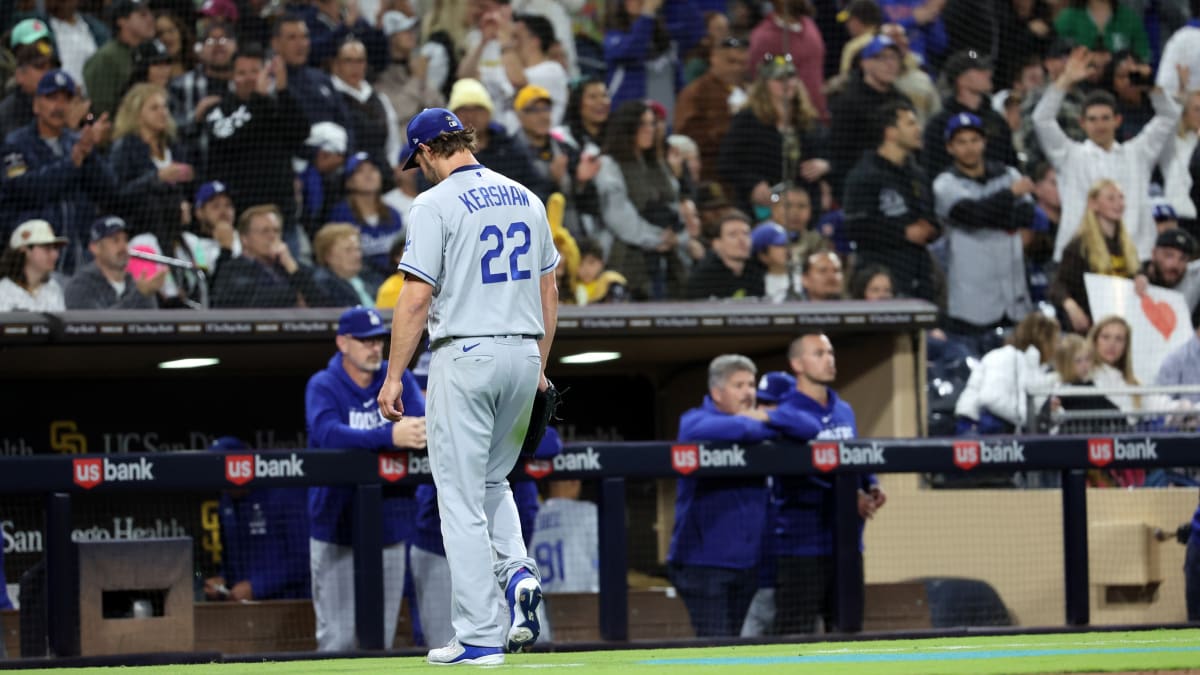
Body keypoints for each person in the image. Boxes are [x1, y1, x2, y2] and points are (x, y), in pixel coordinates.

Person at [377, 107, 559, 665]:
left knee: (456, 499)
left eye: (418, 160)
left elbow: (414, 296)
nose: (419, 171)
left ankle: (480, 635)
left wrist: (392, 375)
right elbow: (549, 291)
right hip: (524, 353)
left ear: (429, 150)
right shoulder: (527, 196)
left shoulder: (433, 203)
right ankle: (519, 571)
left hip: (467, 352)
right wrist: (539, 368)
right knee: (491, 480)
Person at [306, 306, 427, 650]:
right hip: (335, 525)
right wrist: (388, 439)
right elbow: (329, 435)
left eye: (378, 340)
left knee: (380, 639)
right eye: (364, 341)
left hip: (389, 526)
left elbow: (418, 428)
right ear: (343, 342)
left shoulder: (395, 379)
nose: (375, 348)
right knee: (338, 641)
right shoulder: (324, 384)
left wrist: (389, 438)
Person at [668, 354, 795, 637]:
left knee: (732, 645)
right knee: (716, 648)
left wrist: (764, 417)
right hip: (702, 564)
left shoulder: (759, 419)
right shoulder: (695, 421)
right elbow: (738, 428)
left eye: (751, 384)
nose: (749, 392)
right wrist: (764, 423)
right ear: (717, 392)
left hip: (747, 565)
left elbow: (808, 426)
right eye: (739, 385)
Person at [773, 333, 885, 634]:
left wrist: (871, 485)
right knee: (793, 637)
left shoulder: (843, 409)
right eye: (819, 353)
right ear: (797, 363)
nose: (829, 359)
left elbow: (853, 457)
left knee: (848, 632)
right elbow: (797, 474)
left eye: (831, 352)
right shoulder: (786, 412)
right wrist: (849, 497)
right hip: (801, 546)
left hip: (847, 543)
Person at [1034, 46, 1182, 262]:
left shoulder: (1138, 153)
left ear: (1117, 120)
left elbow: (1170, 116)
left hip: (1133, 259)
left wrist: (1150, 87)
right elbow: (1041, 120)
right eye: (1093, 119)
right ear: (1082, 123)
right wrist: (1065, 80)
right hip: (1081, 260)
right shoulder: (1069, 156)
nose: (1100, 125)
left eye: (1105, 118)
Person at [932, 112, 1037, 353]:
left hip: (1013, 297)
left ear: (984, 142)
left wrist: (987, 214)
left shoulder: (1008, 174)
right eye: (961, 142)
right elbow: (971, 215)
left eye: (974, 140)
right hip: (970, 301)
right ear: (950, 147)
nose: (969, 148)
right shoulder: (946, 183)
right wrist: (1009, 196)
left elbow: (1027, 216)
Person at [0, 69, 116, 274]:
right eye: (52, 98)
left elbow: (108, 191)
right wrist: (72, 161)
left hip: (79, 253)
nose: (59, 107)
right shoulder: (16, 144)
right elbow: (24, 190)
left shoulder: (76, 142)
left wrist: (89, 153)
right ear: (36, 105)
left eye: (66, 100)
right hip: (33, 258)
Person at [205, 46, 310, 235]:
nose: (249, 78)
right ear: (231, 76)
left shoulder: (277, 106)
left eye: (255, 71)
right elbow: (230, 139)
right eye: (242, 73)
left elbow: (301, 132)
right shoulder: (219, 111)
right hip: (243, 218)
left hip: (282, 216)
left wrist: (283, 91)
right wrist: (258, 99)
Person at [843, 99, 939, 302]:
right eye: (911, 123)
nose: (918, 129)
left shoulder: (918, 174)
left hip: (918, 276)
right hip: (880, 279)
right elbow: (856, 227)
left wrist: (931, 229)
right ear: (891, 132)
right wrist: (903, 232)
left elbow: (930, 217)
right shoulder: (864, 175)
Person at [718, 53, 827, 219]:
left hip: (804, 208)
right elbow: (726, 163)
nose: (786, 84)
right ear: (765, 84)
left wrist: (824, 164)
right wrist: (752, 184)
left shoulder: (807, 120)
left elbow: (833, 151)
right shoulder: (748, 120)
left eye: (790, 78)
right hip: (763, 208)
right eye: (779, 79)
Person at [204, 436, 311, 602]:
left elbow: (303, 559)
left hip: (290, 606)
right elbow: (230, 562)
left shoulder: (283, 493)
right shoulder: (226, 504)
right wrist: (223, 581)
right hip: (246, 609)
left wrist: (257, 586)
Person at [1048, 179, 1139, 334]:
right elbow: (1058, 286)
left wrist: (1141, 277)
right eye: (1111, 198)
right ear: (1094, 204)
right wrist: (1071, 307)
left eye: (1121, 197)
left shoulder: (1127, 246)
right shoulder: (1079, 246)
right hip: (1091, 330)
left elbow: (1135, 275)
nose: (1118, 203)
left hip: (1121, 327)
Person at [109, 82, 192, 245]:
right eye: (154, 108)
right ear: (137, 114)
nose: (163, 113)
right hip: (140, 233)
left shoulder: (174, 145)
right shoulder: (125, 148)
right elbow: (117, 194)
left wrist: (184, 202)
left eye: (165, 107)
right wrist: (157, 177)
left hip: (177, 229)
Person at [828, 34, 910, 196]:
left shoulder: (903, 100)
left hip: (900, 182)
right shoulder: (848, 102)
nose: (890, 64)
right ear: (865, 63)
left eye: (894, 58)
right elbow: (840, 155)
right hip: (863, 187)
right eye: (882, 58)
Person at [954, 312, 1060, 433]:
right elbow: (991, 399)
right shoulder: (1004, 357)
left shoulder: (1034, 365)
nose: (1057, 346)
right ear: (1043, 339)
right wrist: (1029, 419)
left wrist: (1047, 410)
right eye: (1055, 340)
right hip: (976, 429)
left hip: (1002, 431)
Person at [447, 78, 550, 202]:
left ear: (489, 113)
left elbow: (537, 188)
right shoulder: (443, 155)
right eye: (464, 109)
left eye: (478, 109)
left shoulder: (509, 149)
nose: (471, 115)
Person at [922, 49, 1017, 178]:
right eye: (980, 70)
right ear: (961, 80)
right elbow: (933, 170)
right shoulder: (939, 124)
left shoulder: (996, 119)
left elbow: (1011, 162)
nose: (988, 73)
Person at [210, 204, 327, 308]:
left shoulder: (289, 266)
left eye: (276, 231)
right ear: (244, 238)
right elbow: (253, 299)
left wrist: (292, 268)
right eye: (265, 231)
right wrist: (296, 295)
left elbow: (321, 301)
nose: (272, 236)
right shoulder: (232, 268)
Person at [168, 20, 236, 183]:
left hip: (240, 173)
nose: (219, 45)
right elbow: (169, 130)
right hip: (198, 176)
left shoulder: (247, 83)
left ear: (236, 46)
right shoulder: (180, 85)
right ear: (200, 49)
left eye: (225, 39)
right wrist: (196, 117)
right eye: (211, 41)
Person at [674, 36, 748, 185]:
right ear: (713, 58)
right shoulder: (696, 93)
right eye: (731, 61)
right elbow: (685, 137)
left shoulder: (750, 92)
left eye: (742, 63)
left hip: (745, 175)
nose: (737, 68)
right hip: (711, 177)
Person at [330, 39, 400, 189]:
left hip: (383, 175)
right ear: (337, 64)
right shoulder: (331, 97)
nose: (355, 67)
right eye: (348, 61)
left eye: (360, 61)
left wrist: (392, 165)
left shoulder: (380, 99)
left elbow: (393, 140)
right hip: (346, 179)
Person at [328, 152, 404, 278]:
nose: (368, 175)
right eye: (360, 171)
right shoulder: (341, 215)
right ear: (349, 182)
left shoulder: (393, 214)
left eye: (373, 169)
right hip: (361, 278)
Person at [63, 215, 163, 309]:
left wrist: (142, 294)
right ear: (95, 248)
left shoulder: (135, 284)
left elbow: (155, 325)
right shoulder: (80, 286)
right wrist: (140, 295)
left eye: (125, 240)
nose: (123, 246)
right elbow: (98, 324)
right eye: (115, 240)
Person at [82, 0, 156, 117]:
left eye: (150, 14)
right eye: (142, 15)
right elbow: (102, 110)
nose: (150, 19)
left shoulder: (148, 52)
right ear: (122, 21)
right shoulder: (106, 57)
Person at [529, 474, 600, 594]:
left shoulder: (532, 517)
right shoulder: (588, 512)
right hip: (582, 603)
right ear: (574, 481)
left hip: (541, 606)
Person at [685, 212, 763, 300]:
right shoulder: (703, 279)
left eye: (746, 234)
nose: (742, 240)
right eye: (733, 235)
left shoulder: (758, 271)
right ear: (717, 244)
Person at [0, 22, 56, 141]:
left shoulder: (62, 96)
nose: (47, 73)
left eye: (43, 42)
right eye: (39, 67)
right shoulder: (11, 109)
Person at [0, 218, 67, 311]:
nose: (54, 254)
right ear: (24, 249)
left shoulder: (53, 288)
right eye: (46, 247)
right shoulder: (4, 291)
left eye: (55, 248)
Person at [311, 222, 382, 307]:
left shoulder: (371, 276)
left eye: (358, 249)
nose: (357, 255)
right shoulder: (323, 285)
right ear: (328, 256)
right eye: (348, 250)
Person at [1054, 0, 1149, 63]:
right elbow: (1055, 57)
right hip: (1077, 85)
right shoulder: (1068, 17)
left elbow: (1143, 58)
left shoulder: (1130, 18)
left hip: (1121, 87)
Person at [750, 222, 797, 302]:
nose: (787, 249)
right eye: (780, 245)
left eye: (788, 243)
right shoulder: (755, 285)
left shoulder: (805, 276)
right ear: (763, 255)